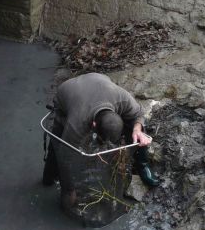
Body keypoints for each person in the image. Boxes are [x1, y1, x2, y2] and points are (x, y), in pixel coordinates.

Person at [42, 72, 159, 200]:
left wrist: (137, 130)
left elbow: (139, 113)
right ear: (93, 125)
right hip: (66, 92)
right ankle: (49, 177)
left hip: (99, 79)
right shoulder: (77, 121)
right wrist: (69, 189)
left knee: (136, 127)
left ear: (117, 113)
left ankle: (142, 164)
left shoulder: (123, 100)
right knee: (58, 143)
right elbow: (65, 155)